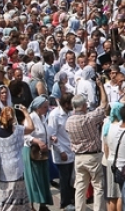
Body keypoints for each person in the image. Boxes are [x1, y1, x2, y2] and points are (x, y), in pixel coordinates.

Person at [66, 79, 108, 211]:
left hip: (78, 157)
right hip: (92, 156)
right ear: (84, 106)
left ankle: (80, 209)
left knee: (80, 186)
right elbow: (104, 105)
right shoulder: (89, 118)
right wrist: (101, 87)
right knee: (98, 186)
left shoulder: (69, 121)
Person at [0, 106, 35, 211]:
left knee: (3, 197)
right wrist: (26, 112)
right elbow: (31, 128)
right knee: (17, 199)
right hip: (16, 170)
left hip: (1, 170)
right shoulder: (18, 129)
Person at [47, 93, 76, 210]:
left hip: (72, 150)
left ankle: (72, 199)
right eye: (71, 103)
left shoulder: (70, 113)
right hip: (62, 153)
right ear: (66, 104)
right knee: (64, 180)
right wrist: (61, 151)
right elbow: (52, 135)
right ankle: (65, 203)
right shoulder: (54, 115)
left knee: (72, 179)